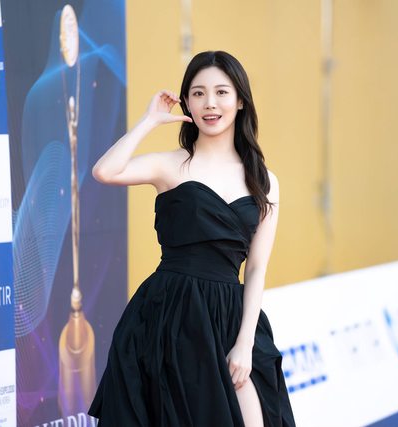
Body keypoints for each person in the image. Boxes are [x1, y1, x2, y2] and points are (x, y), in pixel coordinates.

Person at [88, 50, 295, 427]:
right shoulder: (170, 164)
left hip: (230, 319)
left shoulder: (265, 181)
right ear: (186, 102)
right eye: (198, 93)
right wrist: (150, 121)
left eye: (221, 92)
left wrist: (245, 343)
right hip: (170, 315)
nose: (210, 103)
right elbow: (105, 171)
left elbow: (257, 268)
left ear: (240, 101)